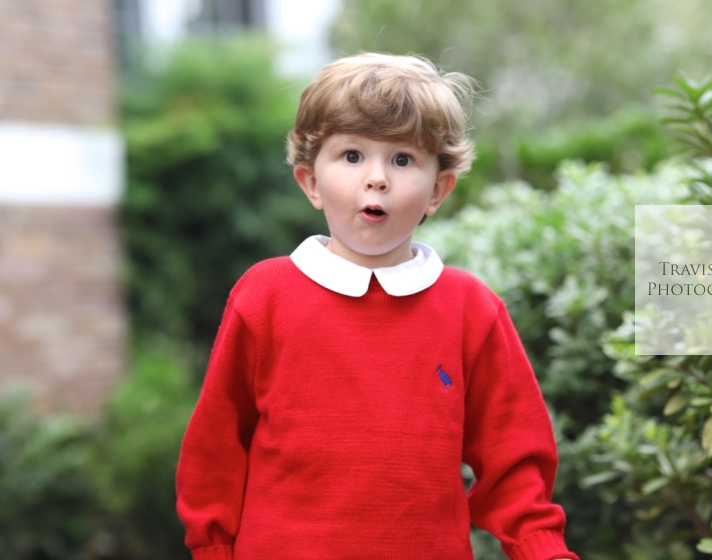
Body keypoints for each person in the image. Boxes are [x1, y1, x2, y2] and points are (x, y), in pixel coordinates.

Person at [175, 52, 579, 560]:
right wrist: (212, 549)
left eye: (402, 160)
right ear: (310, 182)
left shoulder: (471, 309)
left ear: (438, 190)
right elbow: (215, 447)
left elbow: (515, 463)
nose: (377, 178)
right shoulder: (264, 295)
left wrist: (542, 549)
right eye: (352, 156)